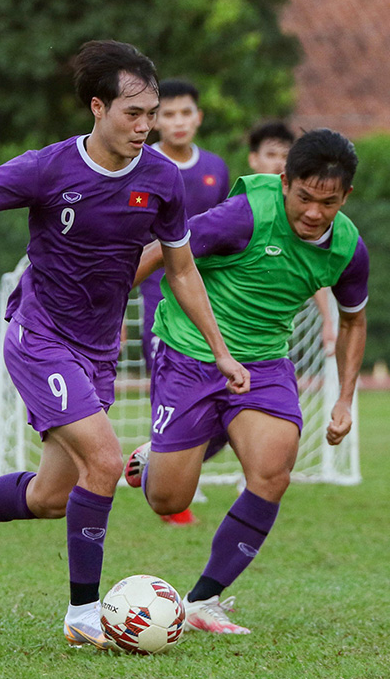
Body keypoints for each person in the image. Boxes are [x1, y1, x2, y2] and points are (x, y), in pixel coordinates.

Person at [0, 39, 249, 651]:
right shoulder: (47, 169)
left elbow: (181, 269)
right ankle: (83, 613)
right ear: (98, 108)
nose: (146, 126)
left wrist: (221, 351)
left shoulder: (161, 178)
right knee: (105, 461)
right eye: (133, 113)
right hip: (41, 337)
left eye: (152, 113)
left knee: (51, 497)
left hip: (98, 349)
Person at [125, 128, 368, 634]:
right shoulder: (246, 214)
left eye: (328, 202)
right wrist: (104, 310)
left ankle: (203, 600)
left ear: (346, 196)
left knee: (273, 471)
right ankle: (154, 461)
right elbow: (166, 249)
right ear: (285, 183)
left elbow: (353, 321)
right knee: (169, 500)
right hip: (190, 353)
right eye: (304, 197)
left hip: (263, 363)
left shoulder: (347, 248)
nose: (314, 212)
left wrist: (345, 399)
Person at [139, 79, 231, 525]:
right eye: (169, 114)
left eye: (185, 113)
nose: (178, 122)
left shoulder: (215, 168)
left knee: (226, 398)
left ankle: (154, 463)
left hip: (211, 302)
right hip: (160, 302)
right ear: (155, 120)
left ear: (198, 117)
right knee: (174, 395)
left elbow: (230, 231)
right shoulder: (141, 163)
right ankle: (172, 497)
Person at [248, 120, 337, 356]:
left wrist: (328, 320)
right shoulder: (235, 209)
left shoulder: (301, 215)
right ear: (253, 159)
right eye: (271, 154)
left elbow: (311, 265)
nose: (279, 162)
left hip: (271, 330)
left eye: (285, 156)